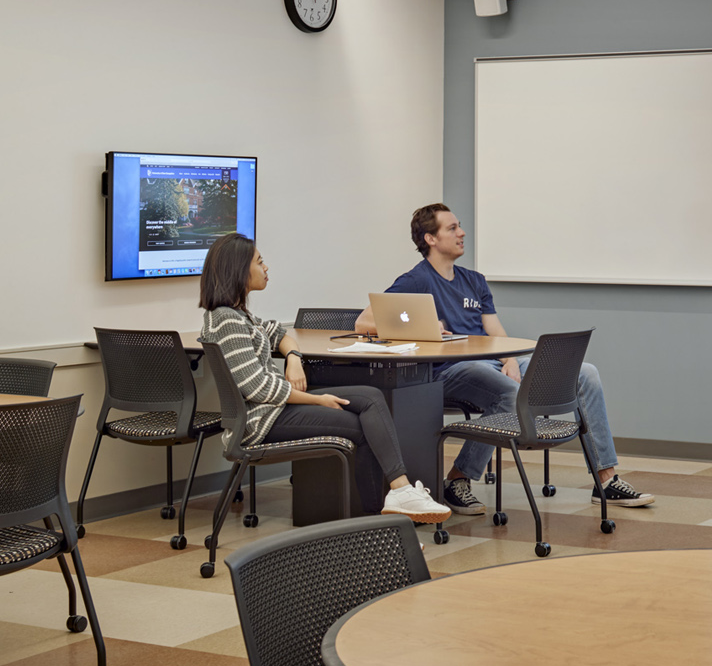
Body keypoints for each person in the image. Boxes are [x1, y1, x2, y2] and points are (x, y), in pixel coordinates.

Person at [355, 204, 655, 515]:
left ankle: (605, 480)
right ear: (430, 239)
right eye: (452, 228)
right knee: (509, 394)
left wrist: (510, 359)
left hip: (491, 362)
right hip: (451, 370)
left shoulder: (474, 280)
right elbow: (363, 323)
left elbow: (494, 330)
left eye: (460, 226)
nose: (462, 233)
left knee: (585, 374)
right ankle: (458, 480)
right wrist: (423, 327)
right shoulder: (416, 281)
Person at [198, 234, 451, 524]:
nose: (266, 267)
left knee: (370, 397)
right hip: (260, 423)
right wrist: (317, 399)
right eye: (259, 262)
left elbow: (280, 333)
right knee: (364, 426)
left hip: (271, 412)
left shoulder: (239, 316)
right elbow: (259, 388)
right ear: (239, 271)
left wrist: (293, 358)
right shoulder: (228, 321)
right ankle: (379, 522)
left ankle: (398, 494)